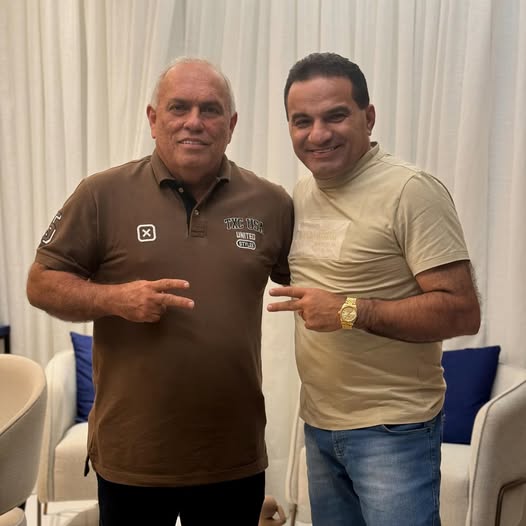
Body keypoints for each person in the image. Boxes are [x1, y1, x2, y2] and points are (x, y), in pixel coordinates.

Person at [27, 57, 294, 526]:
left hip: (233, 456)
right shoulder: (101, 195)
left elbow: (320, 281)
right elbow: (41, 282)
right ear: (153, 119)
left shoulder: (272, 204)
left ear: (231, 124)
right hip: (134, 457)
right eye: (178, 107)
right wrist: (115, 299)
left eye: (210, 109)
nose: (194, 121)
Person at [267, 52, 481, 526]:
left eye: (335, 116)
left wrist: (349, 311)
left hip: (394, 430)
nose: (317, 134)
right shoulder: (303, 194)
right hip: (319, 426)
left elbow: (462, 311)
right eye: (302, 121)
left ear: (368, 117)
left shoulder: (412, 191)